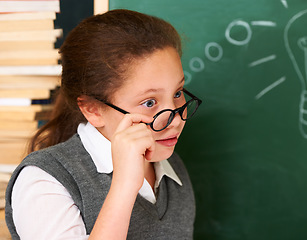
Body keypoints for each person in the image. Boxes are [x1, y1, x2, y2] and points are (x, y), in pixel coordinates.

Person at [5, 9, 202, 239]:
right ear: (92, 110)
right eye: (149, 102)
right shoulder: (43, 180)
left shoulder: (171, 167)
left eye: (178, 93)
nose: (176, 119)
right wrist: (124, 186)